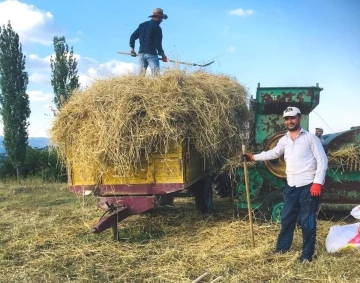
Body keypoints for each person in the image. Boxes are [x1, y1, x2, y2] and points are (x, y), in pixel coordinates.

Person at [244, 106, 328, 263]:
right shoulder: (284, 140)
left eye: (293, 118)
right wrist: (253, 157)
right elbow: (274, 153)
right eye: (287, 119)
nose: (290, 121)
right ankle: (282, 248)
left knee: (306, 220)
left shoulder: (311, 138)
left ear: (299, 118)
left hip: (308, 187)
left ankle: (306, 255)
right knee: (286, 218)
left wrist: (317, 183)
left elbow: (322, 161)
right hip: (291, 186)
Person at [129, 8, 168, 76]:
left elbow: (133, 36)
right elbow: (158, 44)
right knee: (156, 76)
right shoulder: (157, 28)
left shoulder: (142, 25)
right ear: (158, 17)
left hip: (141, 54)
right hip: (151, 54)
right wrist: (162, 55)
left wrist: (132, 48)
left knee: (141, 76)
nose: (162, 20)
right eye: (161, 18)